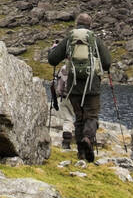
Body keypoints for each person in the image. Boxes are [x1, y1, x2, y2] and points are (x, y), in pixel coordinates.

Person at [47, 13, 111, 162]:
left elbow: (52, 60)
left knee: (79, 118)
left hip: (74, 86)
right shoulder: (94, 39)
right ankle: (88, 139)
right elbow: (107, 63)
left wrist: (53, 49)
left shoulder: (70, 38)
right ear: (90, 25)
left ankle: (81, 154)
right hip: (92, 85)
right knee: (92, 116)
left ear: (76, 24)